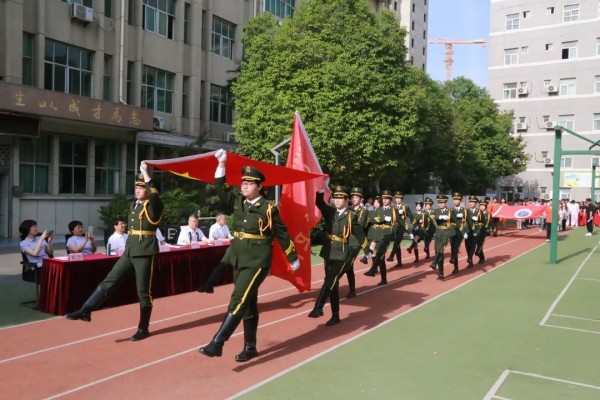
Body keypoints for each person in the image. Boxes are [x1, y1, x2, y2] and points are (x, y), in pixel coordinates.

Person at [199, 150, 300, 361]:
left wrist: (292, 257)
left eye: (249, 183)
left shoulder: (269, 208)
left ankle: (217, 343)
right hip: (239, 257)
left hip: (257, 260)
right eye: (243, 183)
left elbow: (282, 234)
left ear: (259, 186)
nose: (244, 186)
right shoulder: (238, 202)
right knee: (248, 304)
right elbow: (220, 187)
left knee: (238, 298)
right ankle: (250, 347)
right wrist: (222, 164)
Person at [65, 162, 164, 342]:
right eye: (136, 187)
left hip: (144, 252)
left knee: (143, 292)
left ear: (150, 190)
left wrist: (145, 173)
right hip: (130, 250)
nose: (137, 190)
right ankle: (86, 310)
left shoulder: (154, 206)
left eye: (141, 187)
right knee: (109, 280)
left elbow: (155, 196)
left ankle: (143, 328)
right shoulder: (135, 205)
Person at [309, 185, 370, 326]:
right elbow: (319, 202)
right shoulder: (330, 212)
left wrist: (367, 251)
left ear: (346, 200)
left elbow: (360, 234)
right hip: (329, 251)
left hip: (342, 253)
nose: (337, 200)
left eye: (340, 198)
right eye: (335, 197)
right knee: (333, 284)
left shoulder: (351, 216)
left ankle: (318, 307)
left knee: (329, 279)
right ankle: (335, 315)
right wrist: (321, 187)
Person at [363, 190, 397, 286]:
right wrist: (382, 219)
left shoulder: (393, 210)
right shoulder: (379, 209)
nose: (385, 200)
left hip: (387, 234)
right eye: (383, 198)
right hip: (378, 233)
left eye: (387, 199)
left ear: (390, 200)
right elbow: (372, 219)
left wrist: (407, 231)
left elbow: (397, 222)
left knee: (380, 253)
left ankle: (373, 270)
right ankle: (383, 279)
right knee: (380, 257)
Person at [344, 186, 369, 298]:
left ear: (361, 199)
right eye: (352, 196)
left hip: (355, 241)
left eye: (356, 197)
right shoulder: (347, 209)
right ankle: (352, 289)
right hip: (345, 240)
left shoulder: (364, 211)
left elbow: (360, 226)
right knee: (347, 265)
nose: (354, 198)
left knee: (348, 263)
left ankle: (351, 289)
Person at [430, 194, 460, 280]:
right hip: (438, 232)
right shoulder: (435, 211)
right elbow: (431, 217)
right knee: (438, 251)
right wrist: (440, 217)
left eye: (442, 203)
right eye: (439, 203)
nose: (441, 204)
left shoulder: (450, 211)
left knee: (441, 247)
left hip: (447, 232)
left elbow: (456, 222)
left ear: (446, 203)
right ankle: (441, 273)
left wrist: (458, 230)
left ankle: (434, 262)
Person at [387, 191, 413, 268]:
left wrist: (412, 228)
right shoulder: (392, 206)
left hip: (401, 227)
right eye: (396, 198)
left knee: (397, 242)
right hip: (393, 226)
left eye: (399, 198)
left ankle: (391, 256)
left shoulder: (405, 207)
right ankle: (399, 262)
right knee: (397, 245)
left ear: (402, 199)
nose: (397, 199)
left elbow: (411, 216)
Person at [449, 193, 470, 274]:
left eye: (457, 199)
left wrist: (467, 231)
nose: (455, 201)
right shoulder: (450, 210)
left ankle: (453, 259)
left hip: (461, 230)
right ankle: (456, 267)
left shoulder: (464, 210)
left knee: (457, 246)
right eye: (454, 199)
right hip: (452, 230)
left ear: (460, 200)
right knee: (453, 248)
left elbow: (468, 221)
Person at [465, 196, 481, 268]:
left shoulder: (479, 211)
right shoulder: (466, 211)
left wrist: (478, 220)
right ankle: (470, 259)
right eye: (470, 202)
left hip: (475, 230)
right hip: (468, 230)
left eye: (473, 202)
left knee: (473, 245)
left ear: (476, 203)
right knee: (467, 245)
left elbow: (483, 221)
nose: (471, 203)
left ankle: (470, 258)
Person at [474, 199, 491, 263]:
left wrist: (489, 232)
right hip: (476, 231)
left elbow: (490, 223)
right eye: (481, 205)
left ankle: (479, 255)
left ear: (486, 206)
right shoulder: (477, 213)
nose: (481, 207)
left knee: (479, 245)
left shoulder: (488, 214)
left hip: (483, 232)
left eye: (483, 206)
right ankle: (482, 258)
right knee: (477, 244)